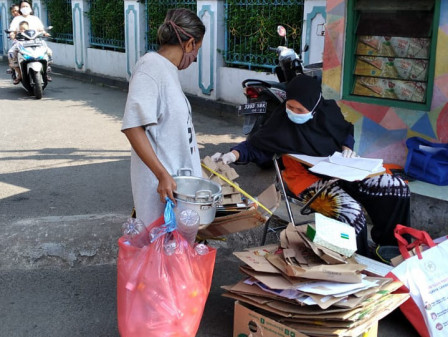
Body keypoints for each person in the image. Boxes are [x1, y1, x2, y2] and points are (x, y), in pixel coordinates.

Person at [212, 75, 411, 256]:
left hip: (340, 169)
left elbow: (345, 130)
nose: (293, 113)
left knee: (396, 188)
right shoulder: (281, 122)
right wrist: (232, 155)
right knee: (351, 213)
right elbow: (256, 146)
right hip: (303, 178)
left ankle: (389, 249)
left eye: (300, 110)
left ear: (315, 106)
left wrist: (346, 146)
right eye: (290, 106)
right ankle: (359, 263)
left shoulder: (329, 112)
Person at [121, 8, 205, 226]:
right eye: (196, 51)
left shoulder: (167, 70)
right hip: (162, 190)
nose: (194, 58)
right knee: (158, 251)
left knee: (175, 253)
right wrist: (162, 175)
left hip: (177, 188)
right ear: (189, 44)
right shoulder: (150, 68)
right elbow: (133, 127)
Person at [8, 1, 53, 83]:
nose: (25, 8)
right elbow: (12, 30)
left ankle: (45, 72)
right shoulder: (17, 19)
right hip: (20, 41)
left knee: (48, 51)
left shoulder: (35, 18)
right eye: (23, 6)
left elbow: (41, 29)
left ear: (30, 8)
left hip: (36, 41)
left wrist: (45, 33)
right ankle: (19, 75)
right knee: (11, 53)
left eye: (26, 6)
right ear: (20, 9)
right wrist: (12, 34)